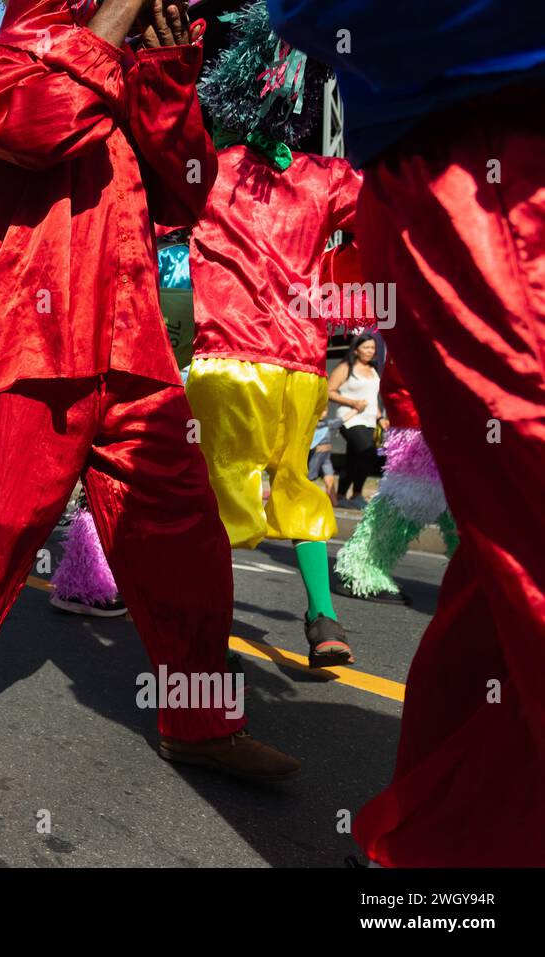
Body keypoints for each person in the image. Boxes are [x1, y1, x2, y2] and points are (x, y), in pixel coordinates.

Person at [0, 1, 298, 781]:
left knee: (187, 542)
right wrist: (111, 30)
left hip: (135, 345)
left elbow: (188, 189)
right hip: (35, 338)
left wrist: (163, 78)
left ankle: (197, 719)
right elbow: (39, 129)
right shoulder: (3, 63)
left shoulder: (124, 66)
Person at [268, 0, 545, 868]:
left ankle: (433, 860)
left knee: (494, 582)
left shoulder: (319, 190)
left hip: (312, 373)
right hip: (478, 174)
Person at [184, 3, 361, 668]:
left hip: (228, 365)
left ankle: (207, 634)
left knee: (218, 500)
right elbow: (382, 203)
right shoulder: (324, 177)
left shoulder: (208, 170)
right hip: (303, 373)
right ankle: (322, 619)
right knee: (297, 484)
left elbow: (146, 209)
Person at [333, 358, 457, 605]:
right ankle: (363, 565)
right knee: (415, 491)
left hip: (468, 399)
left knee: (465, 495)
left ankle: (482, 575)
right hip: (432, 397)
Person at [327, 333, 383, 509]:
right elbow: (329, 391)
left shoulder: (373, 370)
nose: (369, 351)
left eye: (372, 348)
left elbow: (372, 397)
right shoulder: (346, 367)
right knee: (368, 452)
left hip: (370, 420)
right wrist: (352, 402)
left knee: (355, 458)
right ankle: (357, 493)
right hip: (349, 418)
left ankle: (342, 495)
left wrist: (381, 417)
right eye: (366, 347)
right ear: (356, 349)